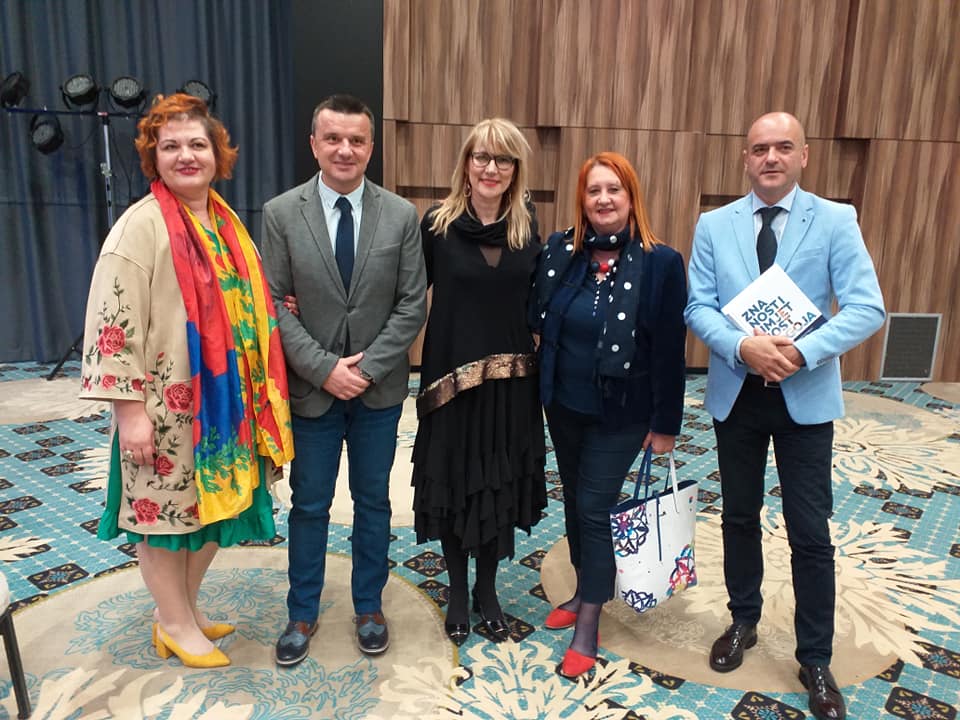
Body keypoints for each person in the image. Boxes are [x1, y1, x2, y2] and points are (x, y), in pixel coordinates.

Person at [79, 93, 295, 668]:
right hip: (164, 408)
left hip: (224, 405)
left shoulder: (224, 222)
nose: (186, 156)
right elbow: (111, 325)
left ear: (217, 154)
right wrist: (129, 413)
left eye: (197, 144)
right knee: (162, 520)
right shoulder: (141, 226)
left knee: (209, 514)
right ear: (154, 157)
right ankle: (174, 623)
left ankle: (180, 610)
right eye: (170, 146)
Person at [684, 112, 884, 720]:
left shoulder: (835, 219)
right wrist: (742, 346)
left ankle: (815, 657)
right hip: (738, 394)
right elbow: (698, 306)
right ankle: (743, 620)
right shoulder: (714, 224)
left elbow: (866, 307)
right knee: (739, 517)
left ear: (804, 155)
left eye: (783, 147)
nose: (770, 158)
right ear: (745, 158)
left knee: (810, 531)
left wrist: (801, 352)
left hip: (805, 397)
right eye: (759, 149)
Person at [260, 94, 427, 666]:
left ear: (371, 147)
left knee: (373, 501)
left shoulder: (400, 216)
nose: (345, 150)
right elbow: (272, 305)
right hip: (312, 390)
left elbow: (412, 304)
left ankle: (369, 607)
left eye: (356, 140)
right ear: (314, 144)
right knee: (309, 504)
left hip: (378, 392)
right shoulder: (281, 213)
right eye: (333, 138)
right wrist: (325, 368)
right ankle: (301, 612)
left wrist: (367, 368)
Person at [529, 152, 687, 678]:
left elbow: (670, 350)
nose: (603, 199)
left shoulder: (661, 262)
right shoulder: (563, 252)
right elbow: (538, 317)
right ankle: (582, 589)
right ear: (582, 199)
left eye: (613, 189)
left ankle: (589, 622)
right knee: (576, 504)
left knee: (596, 510)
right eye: (594, 190)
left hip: (623, 415)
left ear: (631, 196)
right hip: (564, 406)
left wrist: (665, 425)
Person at [412, 118, 547, 646]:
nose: (492, 168)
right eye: (482, 157)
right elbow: (404, 295)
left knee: (498, 485)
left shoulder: (526, 226)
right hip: (451, 384)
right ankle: (458, 593)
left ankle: (487, 590)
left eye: (504, 159)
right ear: (466, 163)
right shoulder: (437, 225)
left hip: (511, 387)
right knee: (454, 482)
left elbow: (542, 302)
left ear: (516, 169)